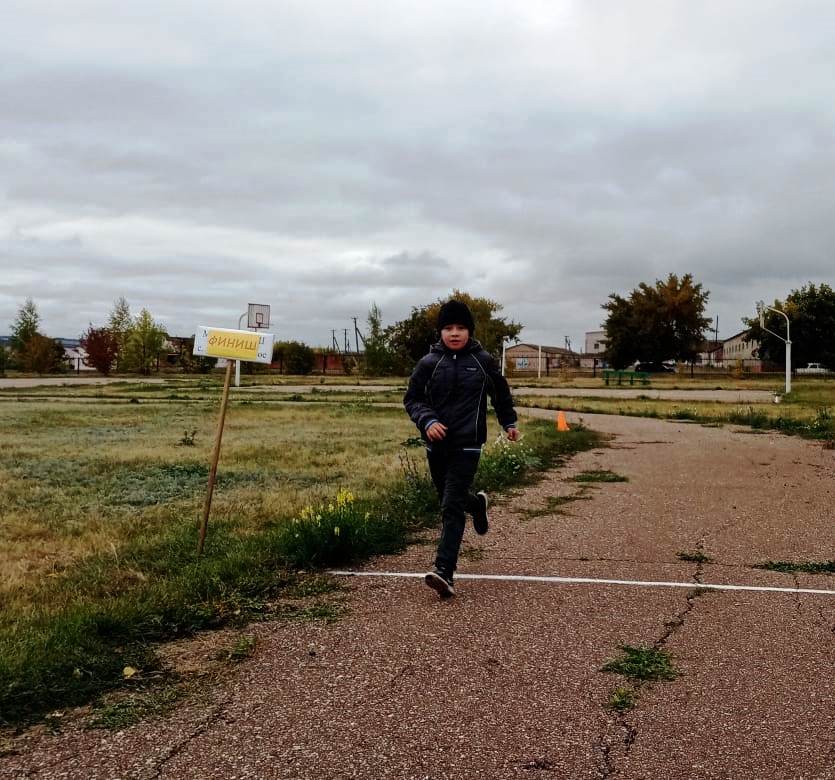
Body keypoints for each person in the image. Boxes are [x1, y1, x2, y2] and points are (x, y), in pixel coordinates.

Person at [403, 299, 520, 599]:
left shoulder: (483, 361)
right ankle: (477, 505)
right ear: (440, 332)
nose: (454, 333)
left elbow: (500, 392)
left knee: (451, 506)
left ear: (470, 331)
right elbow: (413, 399)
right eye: (448, 328)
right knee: (447, 497)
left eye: (461, 328)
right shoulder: (429, 363)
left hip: (468, 445)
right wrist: (427, 421)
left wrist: (508, 422)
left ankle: (444, 571)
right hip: (437, 445)